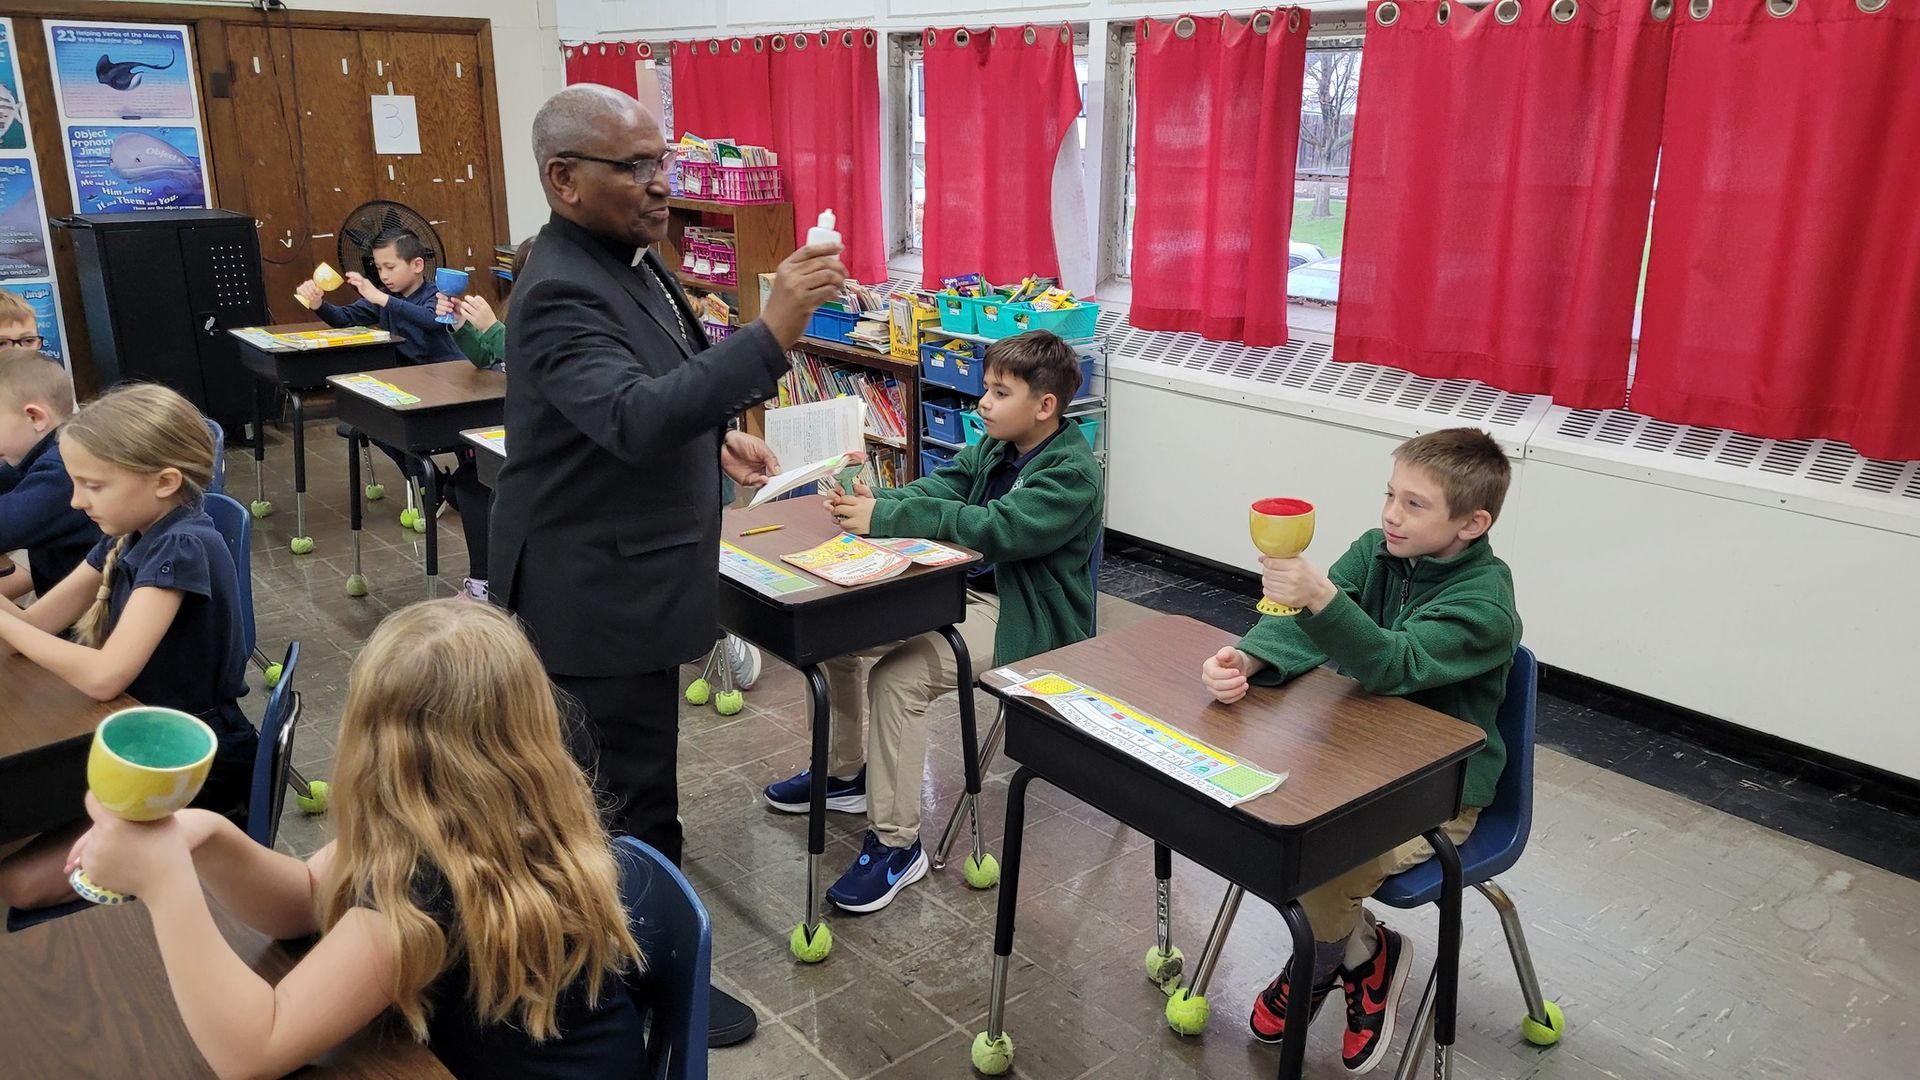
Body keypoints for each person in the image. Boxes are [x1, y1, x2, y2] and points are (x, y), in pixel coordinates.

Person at [491, 84, 845, 1046]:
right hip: (595, 591)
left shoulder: (629, 257)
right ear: (565, 179)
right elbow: (632, 417)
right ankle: (642, 986)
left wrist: (715, 440)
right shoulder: (560, 283)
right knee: (625, 801)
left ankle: (622, 960)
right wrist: (772, 334)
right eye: (638, 167)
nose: (662, 187)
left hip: (627, 562)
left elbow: (650, 396)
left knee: (622, 787)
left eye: (665, 163)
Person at [60, 600, 652, 1080]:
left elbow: (252, 1052)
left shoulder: (425, 892)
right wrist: (208, 836)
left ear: (369, 740)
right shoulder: (484, 820)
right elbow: (307, 897)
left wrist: (165, 884)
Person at [1200, 427, 1521, 1074]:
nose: (1389, 515)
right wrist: (1249, 657)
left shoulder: (1485, 605)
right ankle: (1368, 951)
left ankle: (1326, 962)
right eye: (1389, 494)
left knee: (1324, 855)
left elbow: (1390, 664)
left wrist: (1320, 596)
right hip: (1354, 761)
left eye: (1414, 504)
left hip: (1439, 794)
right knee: (1261, 823)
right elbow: (1300, 629)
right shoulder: (1377, 552)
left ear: (1472, 523)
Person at [772, 330, 1103, 913]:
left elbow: (995, 528)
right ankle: (846, 775)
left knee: (898, 680)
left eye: (1000, 392)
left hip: (1022, 616)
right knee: (834, 636)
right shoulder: (999, 446)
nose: (983, 403)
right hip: (954, 589)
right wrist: (884, 500)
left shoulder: (1071, 474)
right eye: (986, 390)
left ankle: (898, 845)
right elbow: (944, 486)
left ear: (1045, 406)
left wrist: (889, 517)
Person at [0, 383, 255, 912]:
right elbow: (39, 625)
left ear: (164, 482)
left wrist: (11, 626)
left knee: (17, 884)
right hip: (139, 745)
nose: (75, 501)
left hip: (187, 770)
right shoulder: (128, 532)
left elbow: (104, 677)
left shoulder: (181, 547)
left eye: (92, 485)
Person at [431, 238, 535, 600]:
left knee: (476, 485)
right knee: (468, 482)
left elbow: (531, 362)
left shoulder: (555, 319)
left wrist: (492, 328)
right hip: (511, 432)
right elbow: (486, 357)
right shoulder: (515, 314)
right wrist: (463, 326)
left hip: (538, 443)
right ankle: (485, 582)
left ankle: (490, 584)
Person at [0, 345, 100, 601]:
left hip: (90, 627)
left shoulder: (65, 469)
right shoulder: (44, 454)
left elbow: (6, 526)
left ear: (34, 417)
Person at [299, 229, 462, 365]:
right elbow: (343, 319)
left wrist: (381, 298)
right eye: (378, 268)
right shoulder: (384, 295)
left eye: (390, 267)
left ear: (417, 265)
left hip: (443, 374)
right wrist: (317, 303)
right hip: (404, 375)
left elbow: (430, 320)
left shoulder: (438, 294)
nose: (383, 276)